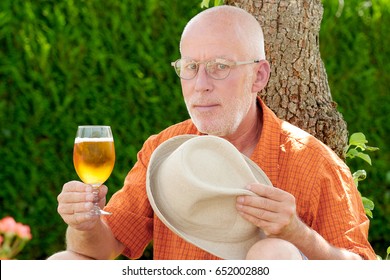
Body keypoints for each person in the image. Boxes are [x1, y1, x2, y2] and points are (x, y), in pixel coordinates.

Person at [49, 5, 376, 260]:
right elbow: (104, 247)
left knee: (274, 253)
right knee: (66, 261)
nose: (200, 85)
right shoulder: (163, 150)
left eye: (220, 66)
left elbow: (362, 269)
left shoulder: (315, 163)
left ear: (259, 75)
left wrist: (297, 234)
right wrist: (85, 224)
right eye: (190, 67)